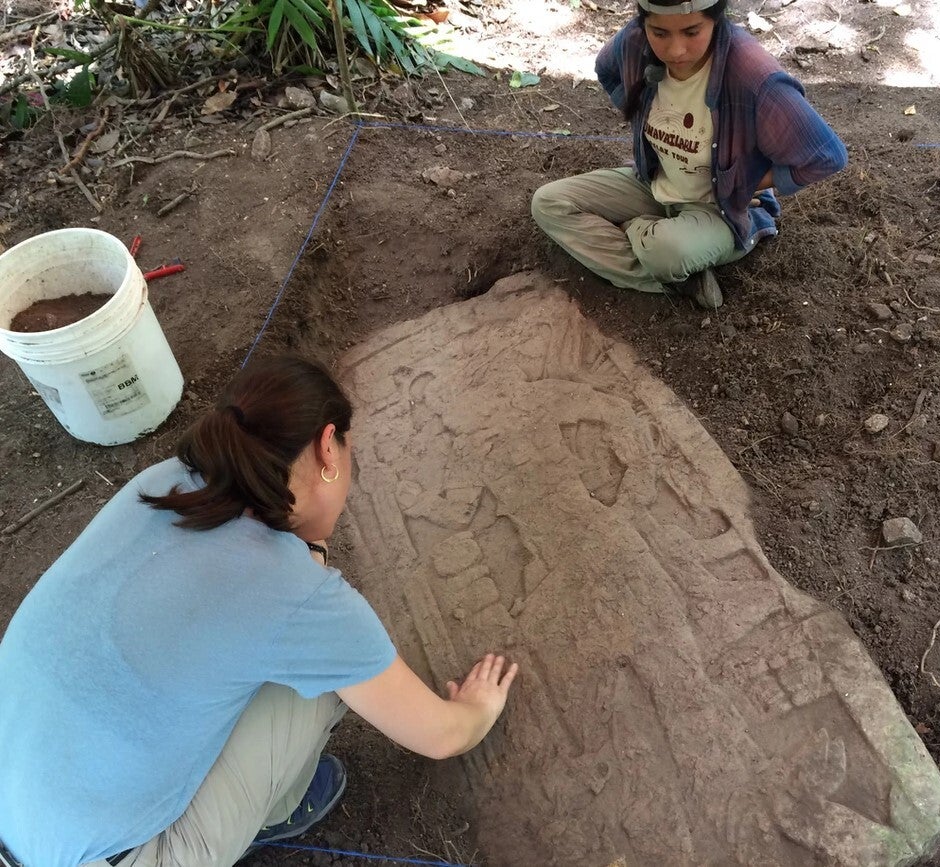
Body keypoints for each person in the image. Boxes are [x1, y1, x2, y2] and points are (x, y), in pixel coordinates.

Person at [0, 355, 519, 867]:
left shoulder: (162, 483)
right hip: (108, 855)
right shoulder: (298, 598)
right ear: (327, 447)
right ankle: (277, 809)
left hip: (18, 798)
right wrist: (478, 709)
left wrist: (306, 553)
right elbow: (441, 735)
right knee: (324, 684)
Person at [531, 0, 848, 309]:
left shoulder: (753, 75)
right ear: (645, 22)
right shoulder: (634, 41)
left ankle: (638, 233)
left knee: (667, 252)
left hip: (723, 208)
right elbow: (607, 70)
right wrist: (641, 112)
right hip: (655, 181)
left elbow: (825, 155)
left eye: (692, 32)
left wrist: (745, 183)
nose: (675, 51)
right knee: (549, 202)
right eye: (660, 33)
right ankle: (682, 280)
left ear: (717, 18)